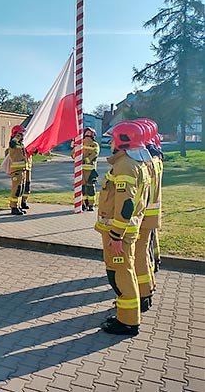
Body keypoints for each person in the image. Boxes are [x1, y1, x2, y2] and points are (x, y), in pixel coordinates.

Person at [95, 121, 150, 336]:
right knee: (124, 272)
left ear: (122, 141)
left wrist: (116, 236)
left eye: (113, 139)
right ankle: (126, 316)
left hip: (118, 235)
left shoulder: (125, 165)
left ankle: (127, 322)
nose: (110, 143)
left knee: (120, 274)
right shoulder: (134, 162)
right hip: (123, 233)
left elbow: (126, 205)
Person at [133, 118, 164, 312]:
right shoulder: (156, 156)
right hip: (150, 213)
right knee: (146, 253)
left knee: (139, 255)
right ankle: (148, 287)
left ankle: (143, 294)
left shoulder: (145, 160)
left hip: (143, 215)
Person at [72, 127, 100, 211]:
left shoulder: (95, 145)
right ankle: (84, 204)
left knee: (90, 187)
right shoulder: (80, 143)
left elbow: (95, 154)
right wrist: (76, 158)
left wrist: (86, 160)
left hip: (90, 169)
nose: (88, 134)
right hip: (81, 169)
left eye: (89, 132)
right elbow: (73, 153)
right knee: (83, 188)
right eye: (87, 132)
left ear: (93, 134)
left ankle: (91, 205)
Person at [7, 125, 29, 215]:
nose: (22, 136)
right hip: (16, 171)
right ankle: (13, 207)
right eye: (21, 134)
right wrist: (16, 137)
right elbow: (12, 143)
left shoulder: (20, 144)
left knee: (21, 190)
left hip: (22, 170)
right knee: (16, 189)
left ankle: (18, 206)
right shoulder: (13, 143)